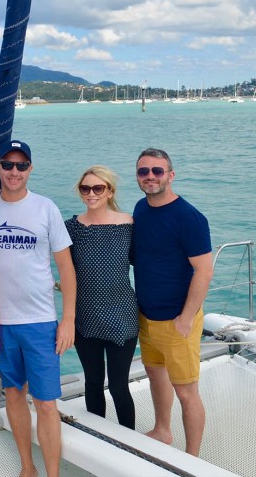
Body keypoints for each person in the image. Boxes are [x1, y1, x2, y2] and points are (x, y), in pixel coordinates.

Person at [0, 140, 76, 477]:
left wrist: (68, 320)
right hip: (0, 321)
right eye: (8, 165)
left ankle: (52, 473)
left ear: (30, 168)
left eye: (21, 166)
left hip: (40, 321)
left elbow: (66, 268)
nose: (14, 172)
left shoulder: (45, 208)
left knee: (47, 403)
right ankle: (26, 466)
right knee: (13, 394)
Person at [130, 147, 213, 456]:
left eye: (157, 171)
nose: (150, 176)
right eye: (143, 171)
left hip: (178, 320)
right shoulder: (140, 208)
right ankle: (163, 429)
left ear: (170, 175)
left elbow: (204, 270)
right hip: (147, 315)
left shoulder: (189, 217)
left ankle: (193, 458)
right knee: (154, 373)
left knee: (187, 392)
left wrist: (187, 317)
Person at [64, 166, 138, 429]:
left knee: (119, 386)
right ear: (80, 192)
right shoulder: (71, 228)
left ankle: (130, 443)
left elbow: (145, 261)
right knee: (93, 383)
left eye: (98, 188)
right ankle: (99, 436)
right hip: (85, 316)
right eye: (86, 188)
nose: (91, 193)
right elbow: (64, 269)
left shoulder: (128, 224)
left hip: (123, 315)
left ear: (109, 191)